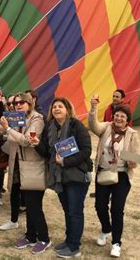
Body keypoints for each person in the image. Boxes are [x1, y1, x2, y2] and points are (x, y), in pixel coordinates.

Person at [0, 93, 51, 254]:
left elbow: (27, 140)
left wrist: (9, 129)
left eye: (22, 103)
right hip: (19, 167)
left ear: (31, 103)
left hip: (33, 168)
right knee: (26, 202)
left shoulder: (37, 119)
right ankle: (30, 236)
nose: (18, 105)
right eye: (16, 103)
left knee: (34, 205)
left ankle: (44, 238)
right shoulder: (16, 117)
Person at [32, 97, 93, 258]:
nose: (56, 109)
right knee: (68, 210)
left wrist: (66, 161)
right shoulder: (50, 127)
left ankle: (74, 247)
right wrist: (38, 143)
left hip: (76, 175)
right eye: (54, 107)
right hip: (59, 177)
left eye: (60, 106)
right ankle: (69, 240)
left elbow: (86, 151)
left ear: (68, 109)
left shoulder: (76, 125)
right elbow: (47, 153)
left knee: (74, 211)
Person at [88, 97, 140, 258]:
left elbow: (136, 158)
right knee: (99, 205)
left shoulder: (132, 134)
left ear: (127, 121)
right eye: (117, 115)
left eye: (122, 117)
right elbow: (93, 125)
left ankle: (116, 243)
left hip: (122, 175)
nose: (119, 118)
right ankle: (106, 229)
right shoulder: (106, 127)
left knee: (117, 209)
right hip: (104, 171)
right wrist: (93, 107)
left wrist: (131, 161)